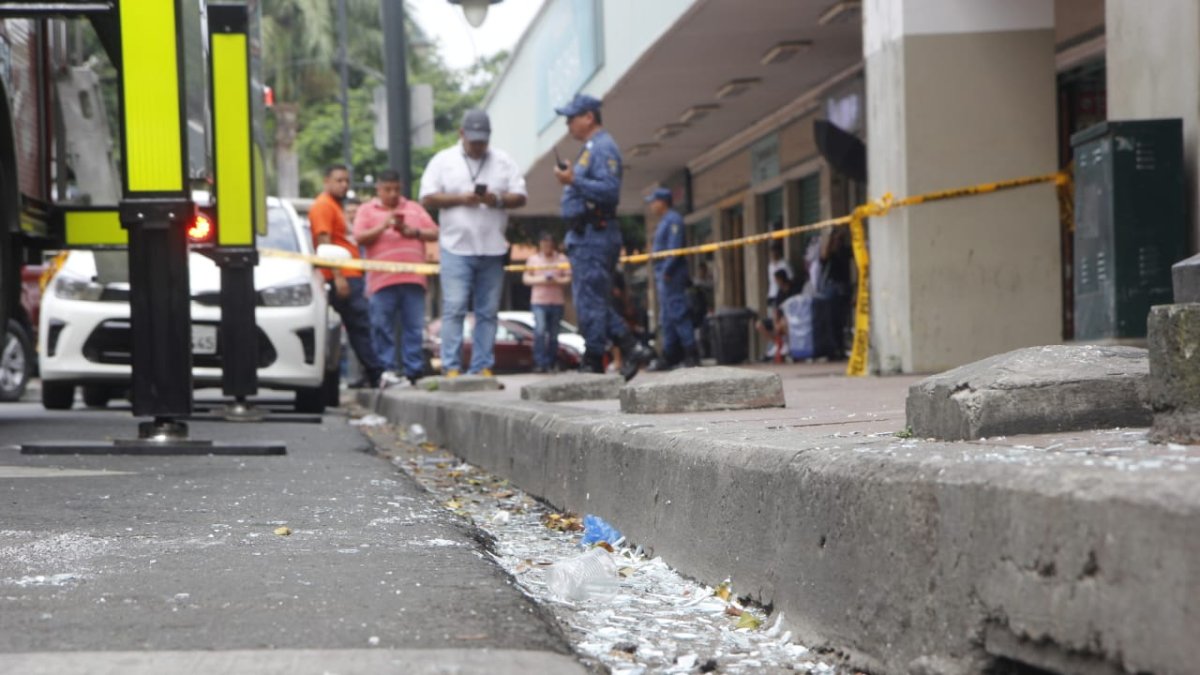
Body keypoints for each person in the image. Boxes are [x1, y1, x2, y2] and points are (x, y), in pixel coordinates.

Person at [420, 110, 527, 377]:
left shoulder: (503, 161)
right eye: (473, 140)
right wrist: (460, 199)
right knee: (454, 307)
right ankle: (452, 367)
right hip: (456, 247)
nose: (478, 146)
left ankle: (482, 367)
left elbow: (521, 196)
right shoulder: (443, 160)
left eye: (483, 141)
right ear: (461, 134)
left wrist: (497, 200)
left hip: (492, 248)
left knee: (488, 311)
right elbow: (427, 197)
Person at [553, 93, 650, 381]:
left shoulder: (603, 147)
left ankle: (618, 349)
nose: (568, 124)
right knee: (589, 300)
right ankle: (603, 354)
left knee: (591, 300)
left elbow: (609, 190)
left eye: (572, 118)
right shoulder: (590, 148)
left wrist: (573, 180)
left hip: (595, 234)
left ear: (589, 117)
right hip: (585, 235)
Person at [352, 169, 438, 386]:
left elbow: (435, 232)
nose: (392, 194)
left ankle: (413, 371)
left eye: (396, 189)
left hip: (414, 278)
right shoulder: (367, 210)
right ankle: (386, 370)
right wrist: (383, 225)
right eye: (387, 189)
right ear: (378, 189)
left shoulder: (414, 209)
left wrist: (413, 232)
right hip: (381, 281)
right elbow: (359, 237)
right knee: (382, 326)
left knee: (414, 327)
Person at [309, 164, 384, 388]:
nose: (344, 185)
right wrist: (338, 276)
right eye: (339, 180)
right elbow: (324, 241)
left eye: (346, 181)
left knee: (357, 326)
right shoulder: (323, 205)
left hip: (348, 273)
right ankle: (376, 374)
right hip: (343, 275)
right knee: (360, 325)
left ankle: (370, 374)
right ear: (327, 181)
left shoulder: (335, 206)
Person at [647, 187, 698, 369]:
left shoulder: (673, 220)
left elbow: (674, 249)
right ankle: (669, 355)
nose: (652, 205)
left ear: (663, 202)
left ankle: (691, 353)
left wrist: (667, 270)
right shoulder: (663, 222)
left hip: (672, 275)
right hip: (663, 275)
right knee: (666, 318)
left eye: (654, 201)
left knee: (678, 313)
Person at [522, 232, 571, 373]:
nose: (547, 247)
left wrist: (556, 281)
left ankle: (551, 362)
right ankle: (539, 362)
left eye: (549, 244)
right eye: (544, 244)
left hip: (557, 301)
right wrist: (542, 280)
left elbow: (568, 278)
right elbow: (526, 279)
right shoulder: (533, 260)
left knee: (554, 334)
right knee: (540, 331)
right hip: (539, 301)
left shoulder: (562, 259)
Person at [767, 241, 794, 307]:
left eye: (775, 251)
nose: (773, 253)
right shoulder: (770, 266)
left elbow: (791, 278)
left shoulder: (784, 264)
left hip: (782, 296)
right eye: (771, 251)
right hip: (772, 295)